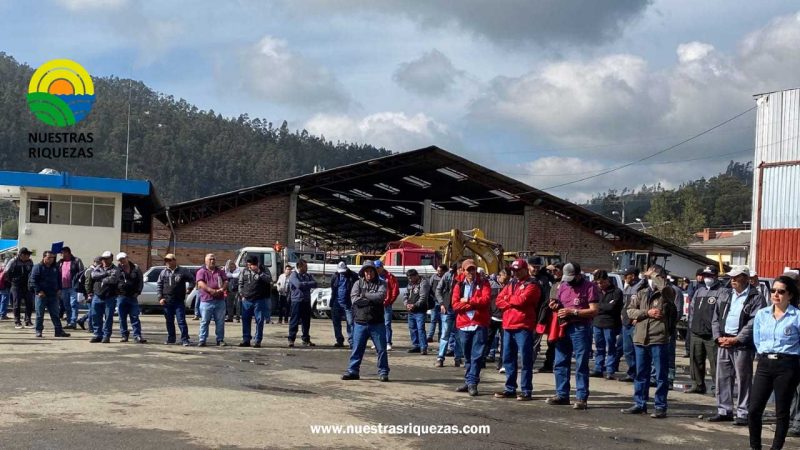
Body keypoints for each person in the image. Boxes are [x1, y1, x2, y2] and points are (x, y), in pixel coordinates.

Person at [706, 265, 766, 425]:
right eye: (731, 277)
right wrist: (718, 337)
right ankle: (724, 410)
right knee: (722, 378)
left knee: (743, 379)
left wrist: (737, 339)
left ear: (746, 278)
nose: (732, 280)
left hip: (742, 344)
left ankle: (743, 412)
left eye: (736, 277)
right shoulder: (725, 294)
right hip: (723, 341)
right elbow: (715, 318)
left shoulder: (756, 297)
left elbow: (754, 322)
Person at [748, 276, 800, 450]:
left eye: (781, 291)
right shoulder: (762, 314)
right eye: (773, 291)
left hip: (787, 365)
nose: (776, 294)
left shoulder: (797, 316)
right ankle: (755, 447)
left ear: (790, 295)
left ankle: (776, 448)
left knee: (781, 412)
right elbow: (757, 339)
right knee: (754, 409)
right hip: (765, 364)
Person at [621, 265, 678, 419]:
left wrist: (656, 276)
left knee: (660, 375)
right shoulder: (642, 292)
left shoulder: (667, 293)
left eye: (652, 275)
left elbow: (666, 290)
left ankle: (660, 406)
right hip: (640, 337)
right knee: (641, 374)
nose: (648, 278)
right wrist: (647, 313)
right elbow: (630, 311)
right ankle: (640, 403)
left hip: (658, 337)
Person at [546, 262, 599, 410]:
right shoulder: (562, 286)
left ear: (578, 274)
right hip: (563, 327)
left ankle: (581, 397)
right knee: (560, 361)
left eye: (571, 278)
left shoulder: (589, 287)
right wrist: (556, 307)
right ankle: (562, 394)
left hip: (580, 328)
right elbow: (559, 304)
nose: (568, 281)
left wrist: (573, 312)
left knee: (581, 363)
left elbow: (594, 310)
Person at [494, 259, 541, 401]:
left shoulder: (532, 284)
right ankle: (510, 388)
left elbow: (523, 301)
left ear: (525, 269)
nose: (515, 273)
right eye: (514, 270)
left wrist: (508, 299)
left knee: (525, 360)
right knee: (508, 359)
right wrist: (511, 299)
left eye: (518, 270)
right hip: (508, 325)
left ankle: (526, 390)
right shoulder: (511, 283)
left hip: (523, 326)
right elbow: (498, 300)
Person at [341, 260, 389, 382]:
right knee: (357, 349)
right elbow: (355, 300)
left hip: (377, 322)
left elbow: (381, 297)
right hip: (360, 322)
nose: (369, 273)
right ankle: (353, 371)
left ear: (375, 272)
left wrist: (365, 295)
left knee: (381, 349)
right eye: (366, 271)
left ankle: (383, 372)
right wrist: (369, 298)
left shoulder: (382, 283)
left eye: (371, 271)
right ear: (363, 272)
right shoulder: (357, 283)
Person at [452, 259, 491, 397]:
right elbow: (455, 305)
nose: (471, 272)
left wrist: (468, 301)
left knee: (477, 355)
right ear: (463, 270)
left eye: (473, 269)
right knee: (467, 355)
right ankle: (469, 380)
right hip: (463, 324)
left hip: (479, 323)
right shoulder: (458, 285)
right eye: (468, 270)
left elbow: (486, 300)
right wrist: (474, 304)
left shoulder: (484, 283)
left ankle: (473, 382)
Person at [686, 265, 723, 394]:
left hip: (711, 334)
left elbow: (720, 313)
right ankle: (698, 385)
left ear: (716, 276)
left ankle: (717, 387)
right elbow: (691, 309)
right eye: (706, 275)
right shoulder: (699, 291)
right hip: (696, 332)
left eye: (710, 276)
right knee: (696, 360)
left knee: (715, 363)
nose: (707, 278)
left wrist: (717, 331)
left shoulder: (721, 291)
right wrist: (691, 326)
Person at [29, 251, 70, 339]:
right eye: (49, 257)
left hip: (53, 295)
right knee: (40, 314)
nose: (51, 259)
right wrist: (39, 291)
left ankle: (59, 331)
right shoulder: (38, 267)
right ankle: (38, 331)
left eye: (52, 258)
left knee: (55, 314)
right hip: (41, 295)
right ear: (44, 257)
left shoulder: (55, 268)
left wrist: (59, 289)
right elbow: (33, 280)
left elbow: (59, 280)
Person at [157, 254, 195, 346]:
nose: (168, 262)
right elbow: (159, 285)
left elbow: (192, 279)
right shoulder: (163, 272)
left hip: (179, 300)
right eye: (166, 260)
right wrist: (160, 298)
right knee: (169, 321)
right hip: (167, 300)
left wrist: (189, 288)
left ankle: (185, 339)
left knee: (181, 320)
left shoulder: (182, 271)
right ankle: (171, 338)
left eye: (170, 260)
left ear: (174, 260)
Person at [592, 270, 624, 380]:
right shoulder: (596, 291)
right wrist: (602, 306)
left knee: (610, 347)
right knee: (599, 347)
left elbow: (612, 307)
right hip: (597, 322)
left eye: (602, 282)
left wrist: (599, 307)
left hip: (610, 324)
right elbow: (592, 305)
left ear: (607, 280)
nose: (600, 285)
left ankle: (610, 370)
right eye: (598, 283)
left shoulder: (616, 292)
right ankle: (598, 368)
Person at [237, 255, 272, 348]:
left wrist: (259, 272)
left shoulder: (264, 270)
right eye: (248, 265)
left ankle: (257, 340)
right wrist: (242, 295)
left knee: (259, 320)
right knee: (245, 320)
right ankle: (246, 339)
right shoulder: (244, 271)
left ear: (256, 264)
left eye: (251, 265)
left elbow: (269, 280)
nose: (249, 267)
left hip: (259, 300)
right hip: (246, 300)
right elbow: (240, 283)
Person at [619, 267, 646, 383]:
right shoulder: (627, 288)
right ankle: (632, 372)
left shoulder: (642, 288)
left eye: (626, 276)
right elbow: (624, 305)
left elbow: (643, 306)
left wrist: (638, 318)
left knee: (638, 351)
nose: (625, 278)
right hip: (626, 324)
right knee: (627, 350)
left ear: (633, 276)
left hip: (636, 324)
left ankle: (640, 374)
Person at [434, 262, 464, 367]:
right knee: (445, 334)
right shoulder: (448, 275)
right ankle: (440, 358)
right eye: (461, 268)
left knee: (459, 335)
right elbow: (438, 289)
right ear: (457, 269)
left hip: (461, 311)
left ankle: (458, 358)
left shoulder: (467, 279)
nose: (463, 271)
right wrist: (442, 303)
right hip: (448, 309)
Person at [195, 253, 228, 347]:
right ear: (205, 261)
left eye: (213, 259)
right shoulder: (201, 271)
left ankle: (220, 339)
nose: (212, 261)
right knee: (205, 321)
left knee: (220, 321)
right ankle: (202, 340)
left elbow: (226, 281)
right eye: (210, 259)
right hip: (207, 300)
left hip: (220, 300)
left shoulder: (220, 271)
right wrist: (211, 290)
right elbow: (200, 283)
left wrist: (222, 289)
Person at [534, 263, 562, 374]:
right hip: (547, 315)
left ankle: (553, 364)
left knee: (555, 342)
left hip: (558, 316)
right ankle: (549, 364)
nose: (553, 272)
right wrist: (546, 268)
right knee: (550, 341)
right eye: (553, 271)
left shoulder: (564, 283)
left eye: (556, 270)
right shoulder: (552, 281)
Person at [90, 251, 122, 343]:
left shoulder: (115, 269)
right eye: (103, 258)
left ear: (111, 259)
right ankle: (97, 334)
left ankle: (106, 335)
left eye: (107, 258)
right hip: (97, 296)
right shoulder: (98, 267)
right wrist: (105, 274)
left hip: (109, 297)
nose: (104, 260)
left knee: (108, 317)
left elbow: (113, 279)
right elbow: (93, 275)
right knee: (95, 316)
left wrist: (100, 278)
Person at [116, 252, 146, 344]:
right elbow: (114, 282)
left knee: (134, 316)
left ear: (127, 258)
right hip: (121, 297)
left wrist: (138, 292)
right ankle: (124, 335)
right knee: (122, 317)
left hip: (133, 297)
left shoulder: (136, 268)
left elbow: (140, 281)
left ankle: (137, 335)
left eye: (123, 259)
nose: (122, 261)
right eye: (120, 260)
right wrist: (117, 292)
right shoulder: (117, 269)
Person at [287, 259, 317, 347]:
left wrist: (304, 284)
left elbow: (315, 283)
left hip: (306, 301)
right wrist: (307, 284)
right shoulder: (293, 275)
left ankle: (306, 339)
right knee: (294, 321)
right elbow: (298, 285)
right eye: (305, 266)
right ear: (300, 267)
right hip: (297, 301)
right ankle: (291, 339)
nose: (307, 268)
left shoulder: (307, 275)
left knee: (306, 321)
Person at [4, 247, 34, 329]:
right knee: (16, 304)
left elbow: (32, 273)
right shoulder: (13, 261)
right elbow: (6, 273)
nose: (29, 256)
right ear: (22, 255)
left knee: (29, 304)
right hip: (16, 286)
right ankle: (17, 322)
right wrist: (13, 281)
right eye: (27, 254)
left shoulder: (30, 262)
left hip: (28, 286)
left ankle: (28, 321)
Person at [330, 261, 358, 348]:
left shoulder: (353, 276)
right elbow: (333, 289)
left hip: (348, 303)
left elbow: (357, 285)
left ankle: (352, 342)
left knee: (350, 323)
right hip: (336, 303)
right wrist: (332, 301)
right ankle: (339, 340)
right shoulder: (335, 276)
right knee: (336, 322)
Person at [485, 269, 509, 365]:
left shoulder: (509, 286)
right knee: (488, 339)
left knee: (504, 342)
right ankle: (482, 359)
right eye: (505, 277)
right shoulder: (491, 285)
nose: (506, 280)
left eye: (508, 278)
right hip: (493, 317)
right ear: (499, 276)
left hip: (505, 318)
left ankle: (502, 363)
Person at [56, 247, 84, 329]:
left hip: (73, 287)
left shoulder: (76, 260)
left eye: (63, 253)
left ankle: (73, 322)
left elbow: (82, 272)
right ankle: (69, 322)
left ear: (68, 252)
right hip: (63, 287)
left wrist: (80, 285)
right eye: (61, 253)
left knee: (73, 304)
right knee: (66, 305)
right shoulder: (60, 262)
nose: (61, 255)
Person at [404, 268, 431, 355]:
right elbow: (406, 295)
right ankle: (416, 345)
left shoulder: (423, 283)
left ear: (416, 275)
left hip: (420, 310)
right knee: (412, 328)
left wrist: (414, 305)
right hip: (410, 310)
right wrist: (406, 304)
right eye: (408, 278)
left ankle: (423, 347)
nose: (410, 279)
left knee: (420, 329)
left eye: (411, 277)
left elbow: (423, 297)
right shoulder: (410, 283)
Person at [375, 261, 399, 351]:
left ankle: (388, 342)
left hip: (386, 304)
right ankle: (378, 341)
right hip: (377, 304)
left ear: (382, 267)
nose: (376, 270)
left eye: (378, 268)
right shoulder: (374, 276)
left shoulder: (390, 277)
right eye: (375, 268)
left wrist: (390, 301)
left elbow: (395, 290)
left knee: (387, 323)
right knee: (377, 323)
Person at [684, 268, 705, 357]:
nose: (700, 277)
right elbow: (690, 295)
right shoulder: (693, 284)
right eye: (698, 275)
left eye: (702, 276)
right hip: (692, 313)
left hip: (702, 313)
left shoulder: (705, 286)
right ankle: (688, 351)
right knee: (689, 332)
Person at [77, 256, 100, 331]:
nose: (100, 264)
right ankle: (91, 327)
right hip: (90, 293)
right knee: (93, 310)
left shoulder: (96, 270)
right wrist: (89, 294)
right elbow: (87, 283)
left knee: (93, 310)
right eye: (98, 262)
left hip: (94, 293)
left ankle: (82, 320)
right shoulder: (90, 270)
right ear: (94, 262)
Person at [426, 264, 446, 344]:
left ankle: (440, 337)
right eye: (437, 271)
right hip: (434, 301)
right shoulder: (433, 277)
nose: (438, 272)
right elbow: (429, 287)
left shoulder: (446, 278)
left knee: (442, 320)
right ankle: (430, 336)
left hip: (443, 302)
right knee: (433, 320)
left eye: (440, 271)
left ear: (444, 271)